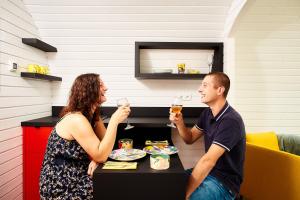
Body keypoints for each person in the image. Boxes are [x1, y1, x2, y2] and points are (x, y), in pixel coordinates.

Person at [39, 73, 130, 199]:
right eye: (100, 85)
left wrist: (95, 158)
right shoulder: (76, 119)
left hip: (78, 173)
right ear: (88, 91)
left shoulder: (93, 115)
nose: (106, 88)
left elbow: (105, 145)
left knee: (116, 182)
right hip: (61, 184)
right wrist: (114, 120)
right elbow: (102, 155)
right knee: (115, 186)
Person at [169, 72, 246, 200]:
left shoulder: (231, 121)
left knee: (185, 194)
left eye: (205, 85)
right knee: (168, 184)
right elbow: (190, 138)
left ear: (220, 90)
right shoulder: (207, 113)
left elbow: (208, 161)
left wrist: (187, 194)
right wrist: (179, 123)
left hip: (224, 183)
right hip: (209, 173)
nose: (199, 89)